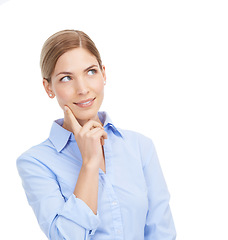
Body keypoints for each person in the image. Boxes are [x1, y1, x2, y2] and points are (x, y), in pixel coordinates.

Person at [17, 29, 176, 240]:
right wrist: (90, 163)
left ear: (104, 73)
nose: (82, 89)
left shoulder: (140, 147)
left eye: (91, 72)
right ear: (49, 88)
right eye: (66, 78)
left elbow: (161, 233)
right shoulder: (35, 162)